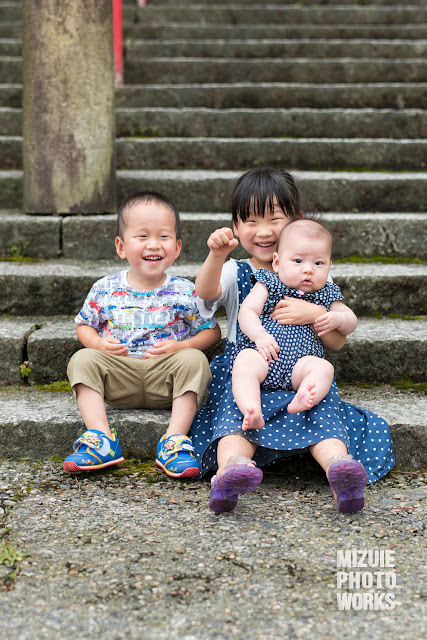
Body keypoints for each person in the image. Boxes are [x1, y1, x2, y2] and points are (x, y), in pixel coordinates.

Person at [191, 167, 394, 515]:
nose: (265, 231)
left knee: (323, 402)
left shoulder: (313, 275)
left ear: (297, 221)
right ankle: (232, 467)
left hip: (300, 375)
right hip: (252, 368)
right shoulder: (238, 271)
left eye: (275, 219)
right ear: (237, 227)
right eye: (251, 221)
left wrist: (314, 314)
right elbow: (205, 294)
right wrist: (216, 255)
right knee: (237, 409)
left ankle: (339, 468)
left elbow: (337, 343)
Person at [63, 191, 221, 478]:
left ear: (177, 247)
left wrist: (181, 346)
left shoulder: (186, 291)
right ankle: (101, 438)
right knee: (82, 359)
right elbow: (84, 325)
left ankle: (174, 441)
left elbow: (212, 332)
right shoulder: (105, 288)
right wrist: (98, 343)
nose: (154, 245)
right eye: (142, 237)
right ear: (121, 246)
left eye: (164, 237)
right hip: (120, 376)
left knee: (195, 360)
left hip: (167, 380)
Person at [232, 218, 357, 430]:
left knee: (324, 368)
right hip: (264, 356)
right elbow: (247, 312)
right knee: (244, 362)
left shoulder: (327, 293)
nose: (308, 270)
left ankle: (305, 397)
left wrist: (337, 318)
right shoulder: (269, 283)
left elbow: (350, 321)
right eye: (298, 261)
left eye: (318, 263)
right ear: (277, 262)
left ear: (329, 265)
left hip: (301, 366)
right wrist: (259, 335)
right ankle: (251, 409)